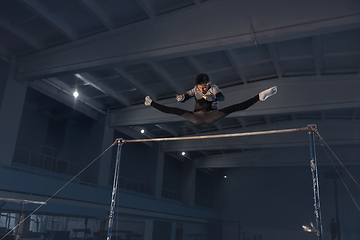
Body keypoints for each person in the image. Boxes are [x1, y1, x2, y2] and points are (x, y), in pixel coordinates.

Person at [144, 73, 277, 126]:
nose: (202, 89)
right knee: (173, 110)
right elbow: (186, 98)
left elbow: (222, 98)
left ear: (209, 83)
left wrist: (211, 96)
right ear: (197, 85)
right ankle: (150, 103)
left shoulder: (213, 88)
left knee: (235, 107)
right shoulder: (195, 89)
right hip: (195, 117)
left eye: (204, 87)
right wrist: (181, 98)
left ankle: (259, 97)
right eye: (200, 87)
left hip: (211, 116)